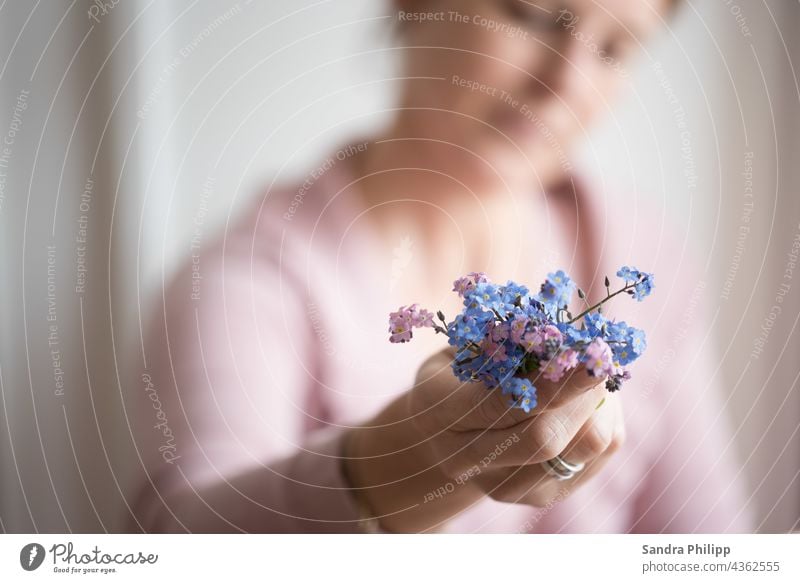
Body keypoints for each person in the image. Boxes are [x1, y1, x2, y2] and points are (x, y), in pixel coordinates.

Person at [125, 0, 753, 533]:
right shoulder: (253, 281)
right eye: (533, 14)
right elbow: (184, 542)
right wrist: (390, 466)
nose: (567, 83)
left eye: (615, 48)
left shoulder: (640, 261)